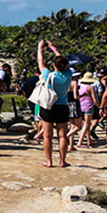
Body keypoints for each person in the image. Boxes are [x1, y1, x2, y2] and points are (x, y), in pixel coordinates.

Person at [36, 40, 73, 168]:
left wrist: (40, 48)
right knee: (62, 136)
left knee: (47, 136)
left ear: (54, 65)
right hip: (63, 106)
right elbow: (62, 61)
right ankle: (62, 161)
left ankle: (49, 161)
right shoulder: (68, 74)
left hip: (48, 106)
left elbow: (40, 61)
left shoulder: (48, 75)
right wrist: (53, 48)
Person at [76, 72, 100, 148]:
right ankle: (80, 141)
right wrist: (99, 106)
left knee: (86, 123)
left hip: (81, 105)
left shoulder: (79, 86)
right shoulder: (90, 87)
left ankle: (89, 140)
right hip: (89, 106)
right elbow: (94, 99)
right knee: (87, 124)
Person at [20, 69, 41, 140]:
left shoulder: (29, 80)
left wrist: (27, 97)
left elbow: (23, 89)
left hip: (32, 100)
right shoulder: (42, 80)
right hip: (40, 101)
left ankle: (38, 131)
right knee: (40, 117)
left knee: (36, 117)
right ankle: (39, 133)